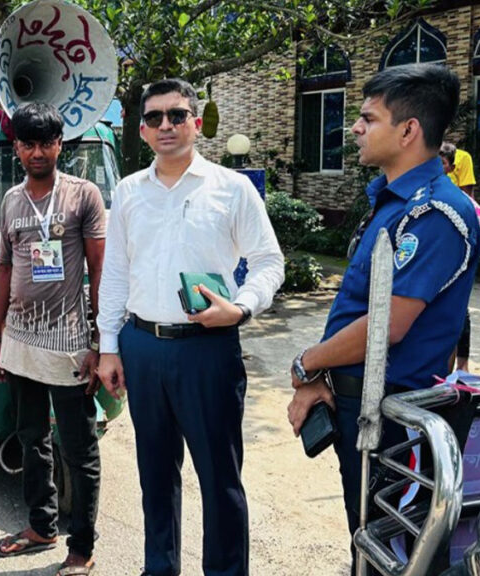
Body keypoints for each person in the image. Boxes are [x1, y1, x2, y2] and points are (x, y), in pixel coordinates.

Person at [286, 63, 480, 574]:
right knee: (367, 539)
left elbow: (386, 326)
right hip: (363, 404)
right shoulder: (396, 204)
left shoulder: (434, 213)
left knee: (397, 554)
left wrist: (307, 364)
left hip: (396, 421)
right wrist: (321, 376)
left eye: (368, 118)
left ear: (408, 130)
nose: (354, 128)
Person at [96, 78, 284, 576]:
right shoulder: (128, 192)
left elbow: (268, 262)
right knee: (155, 474)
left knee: (220, 476)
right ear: (141, 130)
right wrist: (110, 346)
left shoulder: (231, 187)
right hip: (142, 347)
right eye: (154, 117)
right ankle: (160, 568)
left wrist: (241, 308)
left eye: (176, 115)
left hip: (208, 349)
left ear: (196, 123)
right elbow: (115, 273)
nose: (166, 126)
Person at [0, 103, 105, 576]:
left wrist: (100, 340)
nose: (38, 152)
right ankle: (41, 526)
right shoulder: (12, 201)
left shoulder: (83, 195)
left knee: (78, 447)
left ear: (60, 145)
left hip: (69, 341)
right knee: (31, 437)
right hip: (20, 340)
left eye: (46, 143)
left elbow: (100, 270)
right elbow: (7, 269)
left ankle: (82, 546)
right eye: (28, 143)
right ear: (16, 148)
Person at [439, 142, 473, 372]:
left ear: (450, 167)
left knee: (459, 306)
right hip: (438, 246)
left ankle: (461, 366)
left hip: (458, 241)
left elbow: (469, 195)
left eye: (441, 163)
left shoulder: (463, 158)